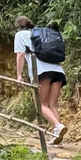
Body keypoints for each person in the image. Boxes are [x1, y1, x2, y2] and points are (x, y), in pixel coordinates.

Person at [14, 16, 66, 144]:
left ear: (18, 26)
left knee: (40, 104)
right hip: (58, 70)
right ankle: (57, 136)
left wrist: (19, 75)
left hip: (42, 71)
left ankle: (58, 126)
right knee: (52, 105)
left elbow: (20, 54)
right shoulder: (40, 33)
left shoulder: (20, 35)